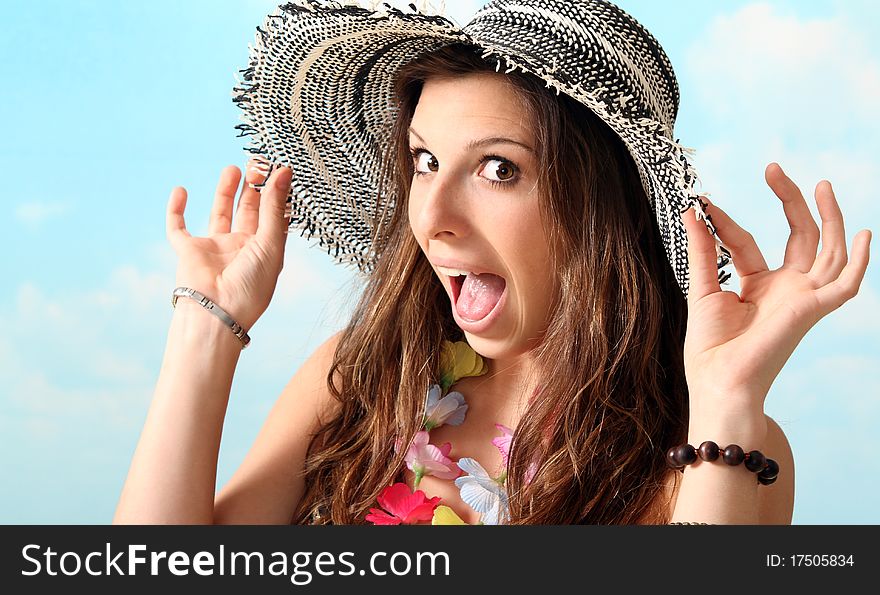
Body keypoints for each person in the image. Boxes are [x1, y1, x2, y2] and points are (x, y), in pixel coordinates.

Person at [113, 0, 871, 525]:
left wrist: (729, 393)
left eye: (498, 168)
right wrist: (206, 325)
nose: (434, 218)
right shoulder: (362, 378)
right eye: (425, 160)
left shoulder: (724, 441)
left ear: (603, 204)